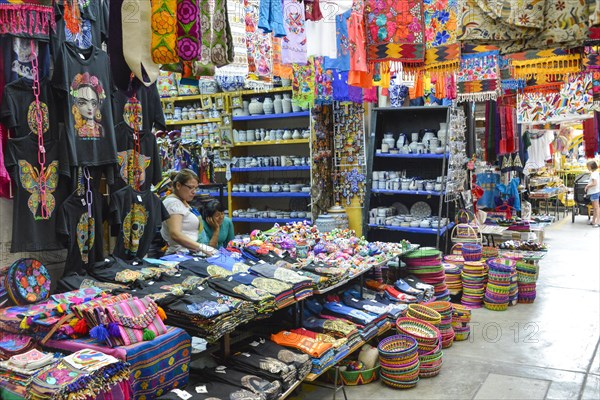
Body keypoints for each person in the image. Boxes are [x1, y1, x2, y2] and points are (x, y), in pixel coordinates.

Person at [160, 169, 217, 255]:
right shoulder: (173, 203)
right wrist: (202, 248)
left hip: (188, 253)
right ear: (178, 185)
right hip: (179, 255)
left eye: (196, 188)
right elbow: (175, 234)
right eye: (190, 187)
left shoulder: (182, 201)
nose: (194, 191)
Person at [585, 160, 600, 227]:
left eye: (588, 166)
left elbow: (594, 183)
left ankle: (598, 222)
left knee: (596, 207)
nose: (587, 167)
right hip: (595, 192)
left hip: (594, 192)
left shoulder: (594, 174)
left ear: (591, 166)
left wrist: (587, 186)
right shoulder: (596, 173)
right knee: (595, 207)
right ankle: (594, 221)